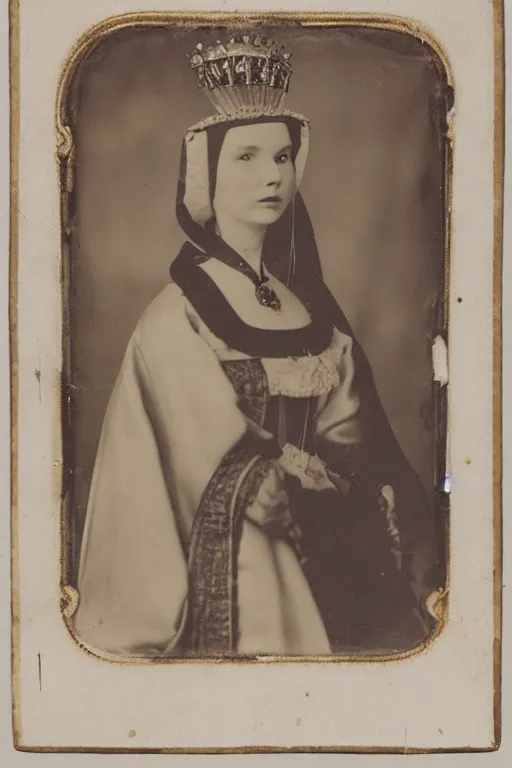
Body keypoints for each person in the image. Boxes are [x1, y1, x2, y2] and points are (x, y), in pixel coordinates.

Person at [70, 35, 443, 658]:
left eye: (282, 156)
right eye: (246, 157)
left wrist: (361, 485)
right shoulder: (175, 318)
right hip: (241, 540)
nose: (272, 174)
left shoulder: (310, 311)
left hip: (328, 532)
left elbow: (351, 434)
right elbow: (195, 449)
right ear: (206, 174)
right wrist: (273, 485)